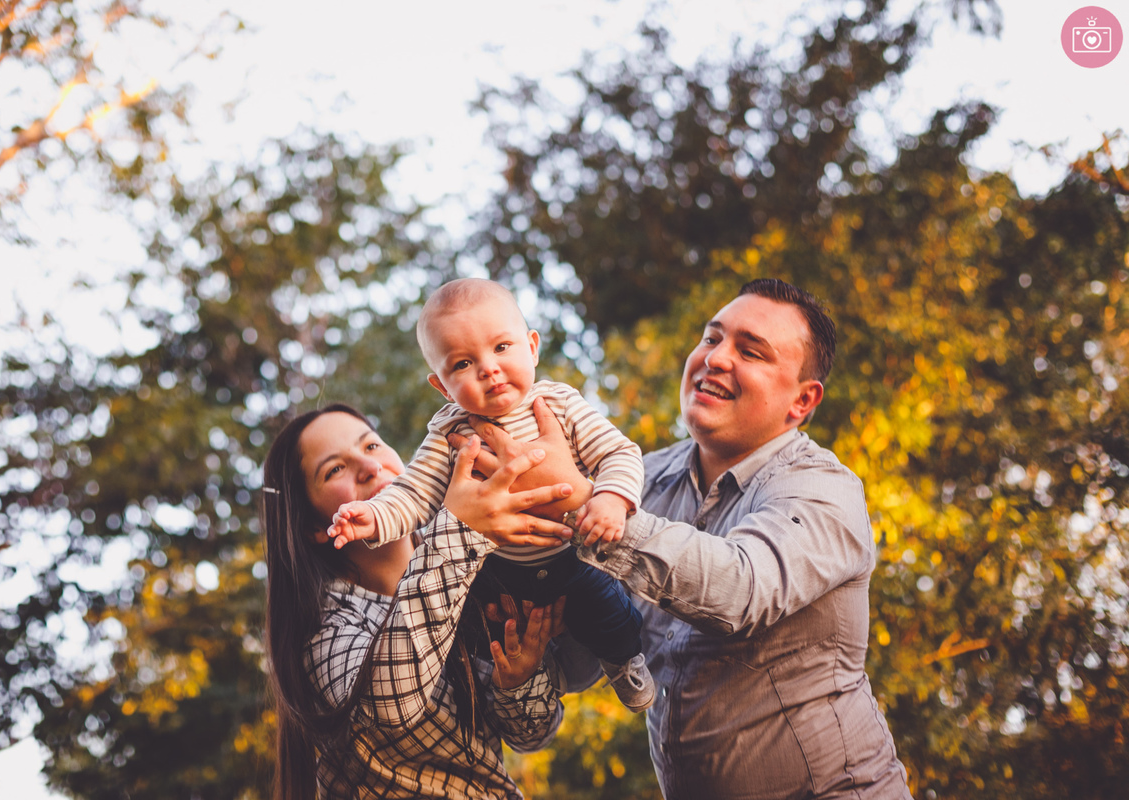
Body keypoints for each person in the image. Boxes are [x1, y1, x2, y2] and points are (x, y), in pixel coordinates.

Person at [457, 278, 913, 799]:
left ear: (802, 401)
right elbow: (588, 655)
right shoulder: (641, 483)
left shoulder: (823, 489)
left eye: (751, 352)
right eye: (712, 338)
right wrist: (525, 658)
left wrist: (579, 496)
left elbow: (741, 589)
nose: (716, 359)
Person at [329, 278, 654, 711]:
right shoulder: (448, 432)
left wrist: (611, 499)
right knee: (477, 628)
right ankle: (520, 683)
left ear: (532, 347)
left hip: (569, 554)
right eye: (463, 363)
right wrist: (374, 517)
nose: (488, 368)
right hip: (498, 571)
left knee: (609, 609)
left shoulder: (558, 403)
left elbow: (619, 453)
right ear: (442, 387)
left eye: (501, 348)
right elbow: (413, 493)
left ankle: (623, 661)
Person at [260, 403, 588, 800]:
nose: (369, 467)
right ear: (314, 527)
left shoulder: (475, 574)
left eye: (372, 445)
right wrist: (461, 527)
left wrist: (518, 680)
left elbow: (534, 734)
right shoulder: (323, 631)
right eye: (334, 470)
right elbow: (391, 703)